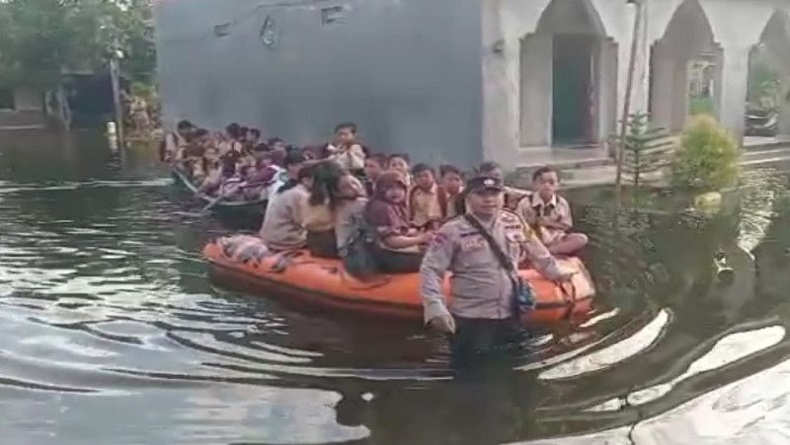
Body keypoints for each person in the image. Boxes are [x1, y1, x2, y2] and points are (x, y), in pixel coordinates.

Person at [420, 176, 573, 371]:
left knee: (519, 371)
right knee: (471, 377)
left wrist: (556, 273)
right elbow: (431, 269)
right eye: (481, 194)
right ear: (468, 198)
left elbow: (538, 251)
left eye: (494, 194)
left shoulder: (513, 221)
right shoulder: (452, 231)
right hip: (472, 318)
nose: (489, 199)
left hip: (511, 313)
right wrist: (435, 307)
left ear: (503, 196)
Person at [365, 171, 433, 273]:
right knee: (434, 258)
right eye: (390, 188)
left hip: (391, 253)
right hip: (386, 257)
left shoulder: (396, 206)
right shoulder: (382, 208)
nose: (396, 192)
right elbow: (392, 241)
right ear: (380, 190)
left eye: (399, 188)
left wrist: (413, 233)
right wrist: (421, 238)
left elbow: (398, 230)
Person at [517, 166, 588, 255]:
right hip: (533, 239)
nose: (547, 185)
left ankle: (549, 252)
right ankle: (539, 252)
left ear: (557, 185)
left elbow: (567, 226)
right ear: (535, 184)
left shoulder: (562, 203)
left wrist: (549, 223)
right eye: (542, 182)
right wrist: (532, 223)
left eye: (551, 182)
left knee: (581, 238)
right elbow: (516, 226)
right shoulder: (525, 203)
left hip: (555, 240)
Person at [304, 162, 368, 258]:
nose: (355, 188)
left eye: (354, 182)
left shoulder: (318, 199)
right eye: (346, 187)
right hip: (330, 244)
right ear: (335, 192)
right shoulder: (344, 204)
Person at [259, 162, 316, 251]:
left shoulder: (293, 191)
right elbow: (306, 223)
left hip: (271, 237)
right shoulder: (301, 195)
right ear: (306, 180)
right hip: (284, 240)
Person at [409, 163, 447, 229]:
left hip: (438, 226)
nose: (423, 179)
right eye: (419, 176)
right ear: (414, 179)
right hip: (418, 227)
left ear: (434, 177)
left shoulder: (442, 191)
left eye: (426, 176)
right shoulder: (413, 193)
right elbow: (411, 213)